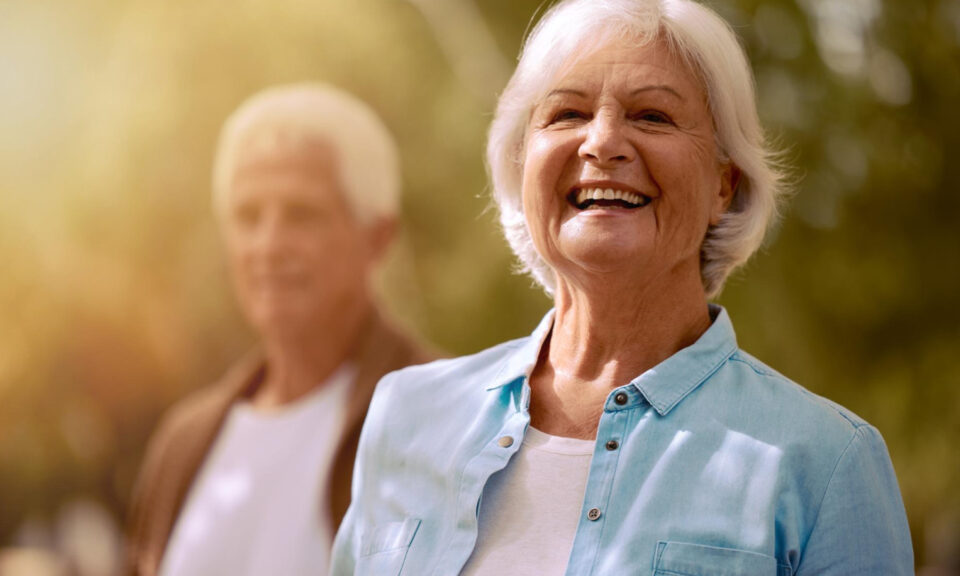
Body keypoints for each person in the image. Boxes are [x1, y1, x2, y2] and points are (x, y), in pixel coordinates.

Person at [330, 1, 914, 574]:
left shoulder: (828, 463)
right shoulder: (405, 416)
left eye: (652, 116)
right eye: (566, 115)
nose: (602, 142)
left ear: (723, 184)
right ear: (521, 164)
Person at [124, 84, 436, 576]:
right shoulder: (181, 442)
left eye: (301, 214)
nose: (268, 245)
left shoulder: (446, 417)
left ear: (378, 237)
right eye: (248, 216)